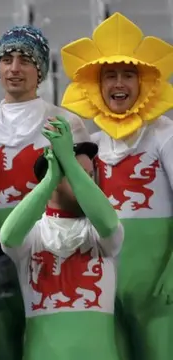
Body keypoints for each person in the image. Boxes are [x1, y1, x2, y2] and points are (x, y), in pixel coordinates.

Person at [0, 25, 90, 360]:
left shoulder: (67, 122)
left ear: (41, 71)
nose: (14, 67)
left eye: (25, 59)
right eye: (7, 59)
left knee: (46, 343)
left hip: (50, 246)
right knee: (4, 344)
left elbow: (83, 190)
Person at [59, 12, 173, 359]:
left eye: (128, 75)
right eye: (110, 75)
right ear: (96, 85)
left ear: (144, 83)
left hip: (158, 292)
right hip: (104, 289)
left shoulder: (165, 135)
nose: (119, 83)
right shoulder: (89, 144)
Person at [0, 116, 123, 359]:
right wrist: (50, 179)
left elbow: (109, 224)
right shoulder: (32, 236)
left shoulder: (101, 232)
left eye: (89, 174)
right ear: (53, 178)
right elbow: (7, 237)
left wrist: (68, 160)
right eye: (74, 173)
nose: (85, 180)